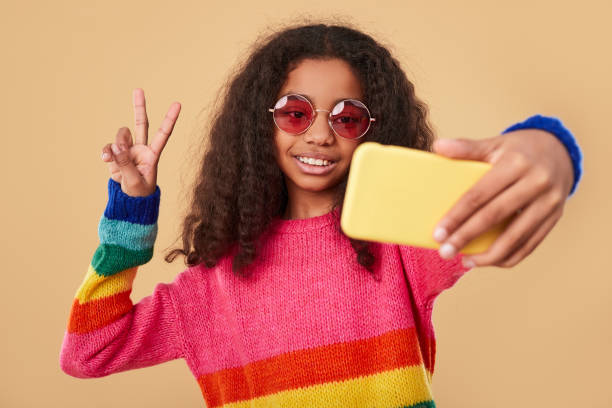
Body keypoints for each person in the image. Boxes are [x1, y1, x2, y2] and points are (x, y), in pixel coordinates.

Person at [59, 22, 583, 407]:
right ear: (259, 125)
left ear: (373, 130)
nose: (318, 134)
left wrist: (549, 146)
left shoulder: (401, 243)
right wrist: (132, 209)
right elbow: (88, 351)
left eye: (346, 117)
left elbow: (509, 201)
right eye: (295, 112)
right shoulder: (209, 290)